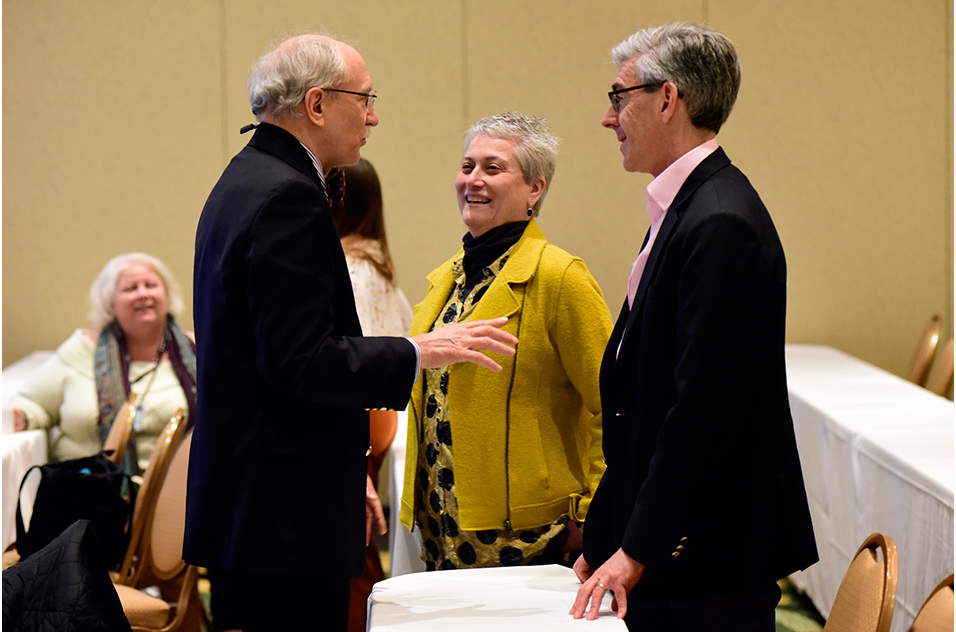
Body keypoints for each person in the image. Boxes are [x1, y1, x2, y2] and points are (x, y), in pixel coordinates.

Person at [186, 33, 517, 632]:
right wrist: (418, 351)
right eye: (363, 98)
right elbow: (299, 362)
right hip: (282, 512)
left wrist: (349, 470)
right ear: (316, 105)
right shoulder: (287, 196)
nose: (373, 115)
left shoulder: (248, 177)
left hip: (261, 497)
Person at [569, 23, 818, 631]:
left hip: (706, 560)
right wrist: (605, 535)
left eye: (618, 96)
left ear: (667, 98)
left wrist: (636, 550)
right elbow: (643, 397)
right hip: (679, 545)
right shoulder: (687, 208)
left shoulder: (720, 221)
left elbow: (703, 412)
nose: (609, 118)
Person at [399, 112, 612, 571]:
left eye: (493, 169)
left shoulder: (559, 277)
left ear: (535, 189)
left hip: (531, 539)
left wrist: (594, 510)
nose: (472, 180)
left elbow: (613, 404)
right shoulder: (446, 279)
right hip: (442, 527)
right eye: (467, 166)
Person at [11, 252, 196, 474]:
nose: (143, 294)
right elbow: (34, 404)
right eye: (131, 289)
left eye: (151, 285)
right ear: (110, 304)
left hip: (176, 491)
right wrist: (24, 416)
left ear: (167, 295)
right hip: (90, 491)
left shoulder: (198, 351)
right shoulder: (82, 350)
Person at [333, 157, 413, 632]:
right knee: (355, 546)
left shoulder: (350, 267)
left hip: (356, 413)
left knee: (348, 548)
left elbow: (346, 357)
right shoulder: (376, 264)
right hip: (378, 413)